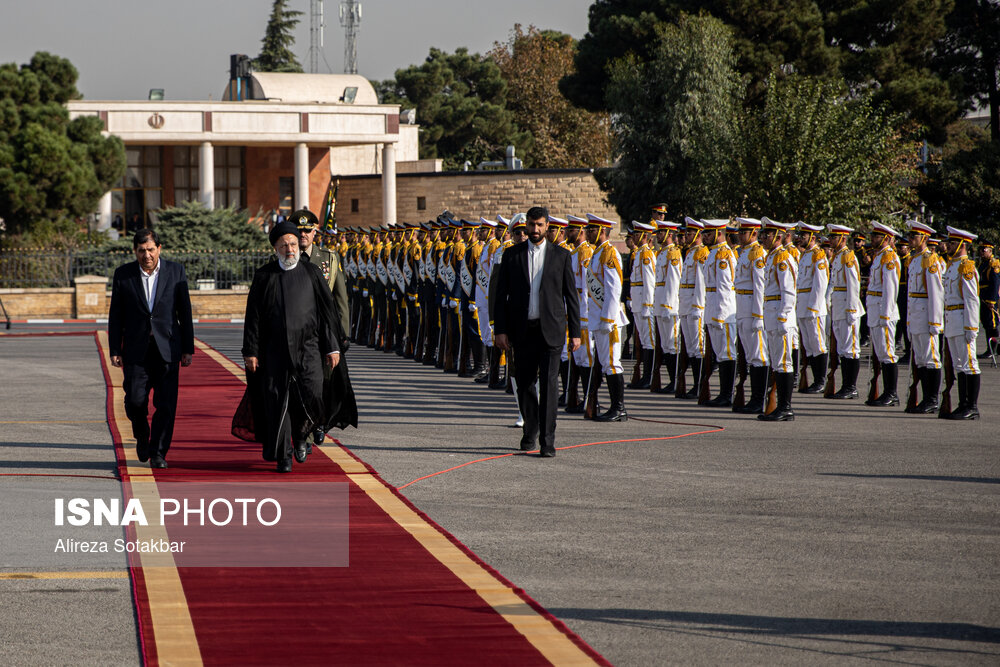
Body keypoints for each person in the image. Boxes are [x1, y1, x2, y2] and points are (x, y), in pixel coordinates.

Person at [236, 220, 356, 472]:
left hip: (309, 350)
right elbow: (253, 316)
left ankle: (302, 436)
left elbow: (327, 313)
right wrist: (251, 351)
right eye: (284, 245)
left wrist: (332, 347)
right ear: (275, 249)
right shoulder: (264, 276)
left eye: (292, 244)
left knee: (312, 394)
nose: (290, 249)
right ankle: (284, 456)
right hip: (274, 352)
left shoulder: (312, 273)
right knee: (277, 402)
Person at [493, 207, 581, 457]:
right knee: (525, 383)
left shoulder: (561, 256)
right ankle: (530, 430)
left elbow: (570, 297)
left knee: (551, 385)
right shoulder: (512, 255)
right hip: (522, 330)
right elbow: (500, 297)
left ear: (547, 226)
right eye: (531, 225)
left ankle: (548, 440)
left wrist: (575, 332)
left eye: (540, 225)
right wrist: (500, 330)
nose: (534, 230)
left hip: (551, 330)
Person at [108, 229, 194, 469]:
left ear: (159, 249)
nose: (146, 255)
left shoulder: (176, 272)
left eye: (150, 249)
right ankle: (142, 433)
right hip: (136, 350)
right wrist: (115, 348)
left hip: (168, 349)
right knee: (135, 400)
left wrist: (188, 348)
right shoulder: (123, 275)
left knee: (166, 405)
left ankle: (158, 452)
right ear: (135, 251)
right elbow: (116, 315)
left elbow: (184, 312)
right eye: (141, 250)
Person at [585, 213, 630, 421]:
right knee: (605, 363)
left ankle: (619, 408)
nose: (587, 233)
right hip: (598, 318)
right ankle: (614, 406)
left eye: (591, 230)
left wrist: (608, 319)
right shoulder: (597, 253)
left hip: (608, 321)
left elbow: (614, 289)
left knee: (612, 363)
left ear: (602, 231)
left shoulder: (609, 253)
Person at [903, 219, 945, 413]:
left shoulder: (930, 260)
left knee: (931, 358)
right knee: (920, 358)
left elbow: (935, 293)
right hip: (916, 314)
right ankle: (925, 399)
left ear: (925, 238)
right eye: (910, 236)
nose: (910, 239)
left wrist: (935, 321)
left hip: (926, 314)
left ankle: (931, 399)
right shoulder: (915, 259)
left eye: (914, 236)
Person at [758, 219, 798, 421]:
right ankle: (779, 407)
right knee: (777, 362)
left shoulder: (783, 258)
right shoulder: (771, 258)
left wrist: (783, 315)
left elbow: (789, 291)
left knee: (784, 362)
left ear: (778, 237)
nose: (763, 238)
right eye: (763, 235)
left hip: (780, 315)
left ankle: (786, 407)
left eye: (767, 235)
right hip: (771, 313)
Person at [941, 226, 982, 420]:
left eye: (952, 243)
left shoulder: (966, 267)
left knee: (969, 364)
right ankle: (962, 403)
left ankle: (971, 406)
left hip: (962, 320)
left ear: (962, 245)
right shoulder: (952, 265)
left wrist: (972, 327)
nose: (948, 245)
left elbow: (972, 299)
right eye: (949, 242)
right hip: (951, 319)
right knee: (959, 365)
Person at [864, 222, 902, 407]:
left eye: (876, 236)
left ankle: (891, 393)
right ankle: (887, 392)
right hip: (875, 309)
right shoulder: (879, 257)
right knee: (881, 352)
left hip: (883, 311)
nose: (872, 239)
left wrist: (886, 315)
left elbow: (890, 288)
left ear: (886, 239)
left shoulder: (889, 258)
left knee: (888, 353)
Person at [732, 217, 768, 413]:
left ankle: (758, 400)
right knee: (750, 356)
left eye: (743, 232)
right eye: (739, 232)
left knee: (758, 356)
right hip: (742, 307)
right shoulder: (744, 253)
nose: (739, 235)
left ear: (754, 234)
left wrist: (758, 315)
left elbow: (759, 287)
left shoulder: (757, 253)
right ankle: (754, 399)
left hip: (751, 309)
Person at [826, 224, 865, 399]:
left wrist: (851, 308)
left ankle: (851, 387)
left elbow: (853, 284)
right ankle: (845, 385)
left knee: (851, 348)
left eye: (833, 238)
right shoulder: (837, 257)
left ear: (842, 239)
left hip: (848, 307)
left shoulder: (848, 257)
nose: (830, 240)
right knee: (842, 348)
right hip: (838, 306)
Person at [794, 222, 830, 393]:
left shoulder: (818, 255)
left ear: (813, 238)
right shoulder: (805, 255)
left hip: (812, 306)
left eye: (804, 236)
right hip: (802, 305)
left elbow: (820, 284)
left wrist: (813, 308)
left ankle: (820, 381)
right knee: (808, 344)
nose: (800, 238)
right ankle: (814, 380)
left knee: (817, 343)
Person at [977, 241, 999, 357]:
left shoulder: (993, 264)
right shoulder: (982, 264)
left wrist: (992, 301)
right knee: (986, 323)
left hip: (990, 298)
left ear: (990, 251)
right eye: (980, 250)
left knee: (992, 323)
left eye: (983, 250)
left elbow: (995, 283)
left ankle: (993, 350)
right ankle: (989, 348)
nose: (981, 252)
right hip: (983, 297)